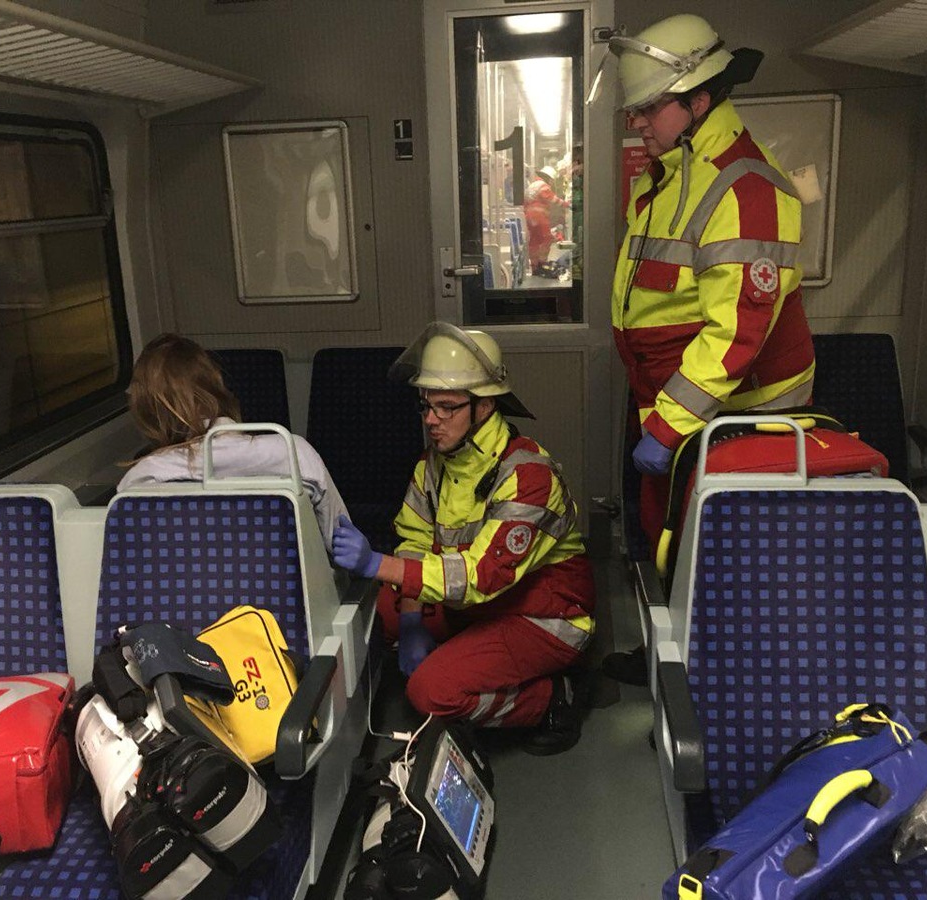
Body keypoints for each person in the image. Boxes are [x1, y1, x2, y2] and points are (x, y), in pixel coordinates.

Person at [602, 14, 815, 685]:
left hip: (732, 413)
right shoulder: (667, 174)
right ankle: (673, 659)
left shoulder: (745, 186)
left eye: (646, 109)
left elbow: (735, 337)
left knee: (721, 558)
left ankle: (720, 684)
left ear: (699, 101)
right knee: (663, 540)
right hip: (670, 398)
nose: (636, 122)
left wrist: (666, 427)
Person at [331, 323, 595, 755]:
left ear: (485, 406)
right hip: (480, 604)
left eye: (447, 407)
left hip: (546, 616)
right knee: (380, 612)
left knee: (430, 693)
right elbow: (414, 539)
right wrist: (413, 621)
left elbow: (482, 576)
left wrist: (378, 565)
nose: (431, 420)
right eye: (426, 406)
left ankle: (551, 699)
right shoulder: (434, 463)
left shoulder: (529, 476)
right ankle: (466, 656)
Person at [119, 333, 348, 548]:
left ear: (146, 411)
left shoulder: (143, 479)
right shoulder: (293, 453)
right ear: (218, 389)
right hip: (292, 590)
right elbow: (340, 540)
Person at [523, 165, 569, 275]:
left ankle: (534, 266)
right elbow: (553, 199)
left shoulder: (533, 185)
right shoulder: (543, 186)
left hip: (529, 217)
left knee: (534, 241)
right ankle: (542, 263)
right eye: (552, 180)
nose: (552, 183)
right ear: (548, 178)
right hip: (539, 217)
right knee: (546, 239)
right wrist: (567, 204)